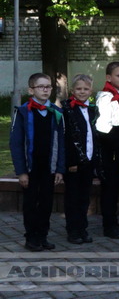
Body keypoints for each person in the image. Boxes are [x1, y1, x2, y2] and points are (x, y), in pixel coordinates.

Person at [10, 73, 65, 251]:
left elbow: (61, 143)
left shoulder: (56, 113)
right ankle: (31, 237)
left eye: (48, 86)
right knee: (31, 203)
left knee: (46, 203)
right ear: (31, 90)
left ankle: (43, 235)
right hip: (31, 167)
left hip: (48, 167)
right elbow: (16, 143)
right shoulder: (23, 112)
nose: (45, 90)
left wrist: (59, 169)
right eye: (41, 86)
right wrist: (21, 171)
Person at [95, 61, 119, 239]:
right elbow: (103, 127)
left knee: (115, 187)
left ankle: (114, 221)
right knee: (109, 189)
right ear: (109, 78)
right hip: (110, 151)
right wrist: (117, 148)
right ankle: (109, 225)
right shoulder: (106, 97)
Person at [62, 75, 102, 245]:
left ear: (90, 91)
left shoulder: (92, 109)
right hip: (74, 163)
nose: (82, 92)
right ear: (72, 91)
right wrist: (71, 161)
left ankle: (82, 228)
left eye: (85, 89)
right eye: (79, 89)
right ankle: (73, 230)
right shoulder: (67, 110)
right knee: (73, 197)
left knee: (85, 197)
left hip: (88, 159)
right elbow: (67, 137)